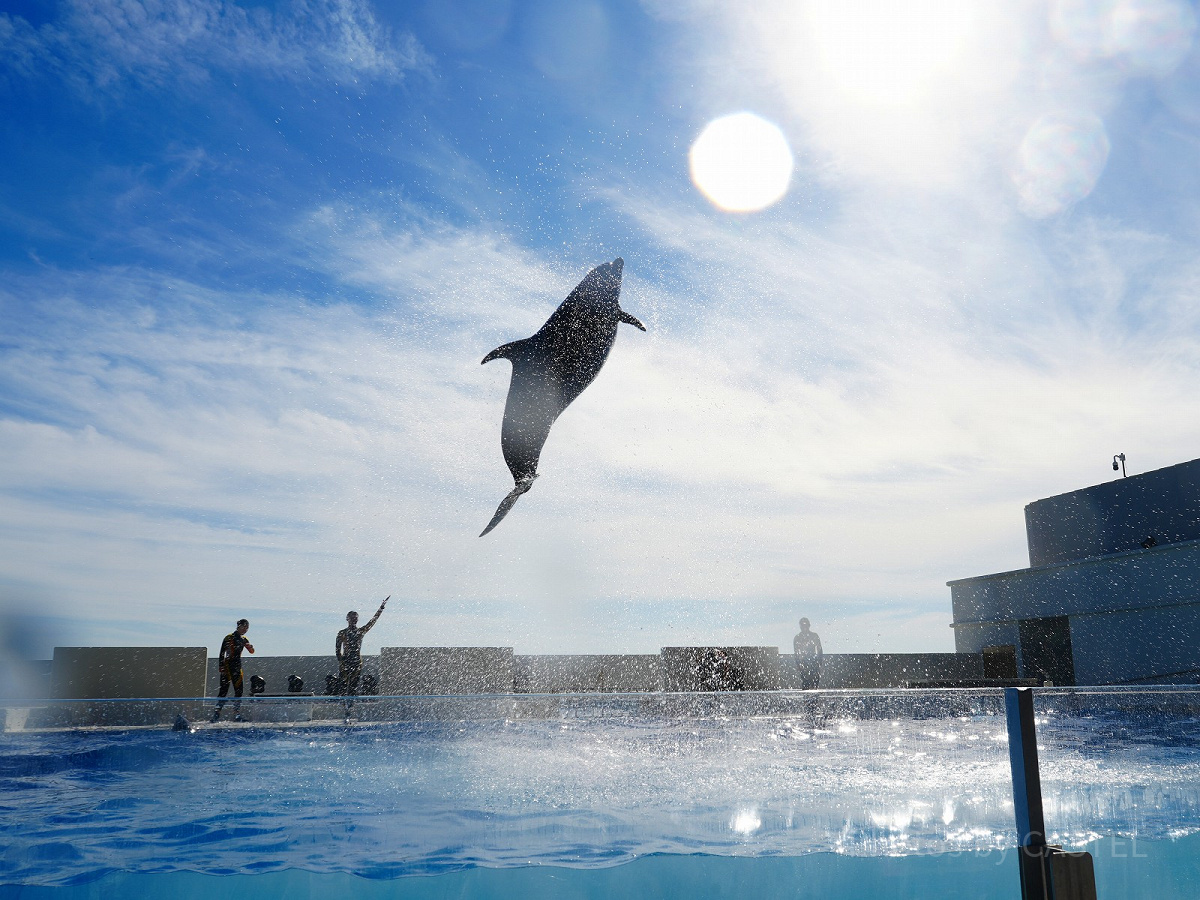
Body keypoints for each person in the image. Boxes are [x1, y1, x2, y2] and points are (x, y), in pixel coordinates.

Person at [336, 596, 388, 717]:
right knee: (343, 685)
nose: (354, 620)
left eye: (356, 618)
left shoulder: (361, 631)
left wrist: (381, 608)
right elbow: (337, 648)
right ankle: (344, 707)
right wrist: (340, 660)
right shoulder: (342, 632)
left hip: (357, 662)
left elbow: (373, 621)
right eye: (351, 618)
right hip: (345, 662)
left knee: (353, 686)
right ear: (347, 619)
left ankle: (351, 707)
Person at [212, 619, 255, 721]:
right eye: (244, 627)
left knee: (239, 690)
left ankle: (236, 714)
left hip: (237, 666)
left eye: (247, 628)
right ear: (238, 626)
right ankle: (216, 714)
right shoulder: (229, 637)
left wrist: (250, 647)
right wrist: (221, 666)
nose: (245, 629)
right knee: (223, 690)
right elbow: (222, 653)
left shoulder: (244, 639)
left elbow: (252, 652)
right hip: (227, 666)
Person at [793, 617, 823, 690]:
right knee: (805, 683)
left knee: (814, 683)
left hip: (813, 661)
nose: (804, 627)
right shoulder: (797, 637)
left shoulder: (814, 636)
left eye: (805, 625)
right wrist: (799, 664)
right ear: (800, 626)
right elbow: (796, 653)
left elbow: (819, 650)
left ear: (809, 625)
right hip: (804, 662)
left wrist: (819, 663)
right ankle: (807, 700)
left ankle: (814, 700)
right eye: (802, 625)